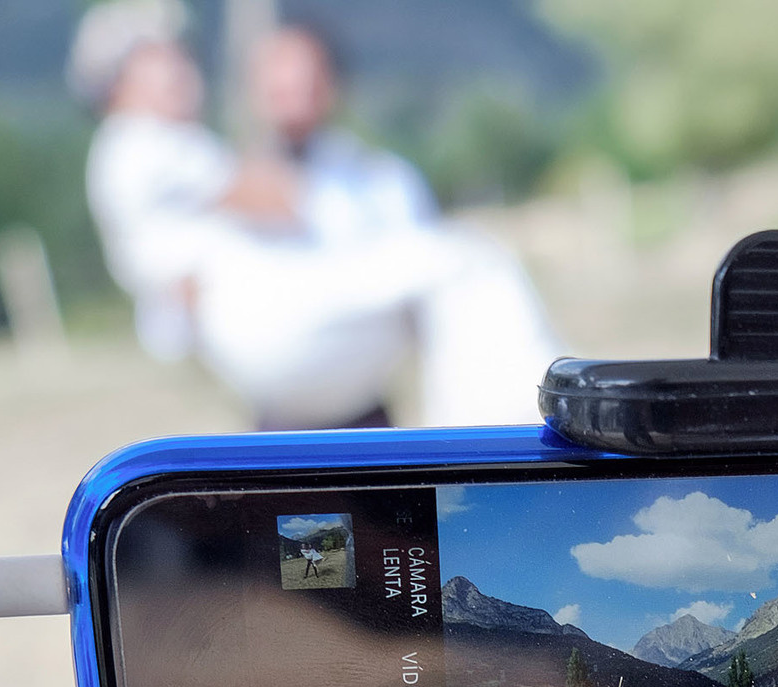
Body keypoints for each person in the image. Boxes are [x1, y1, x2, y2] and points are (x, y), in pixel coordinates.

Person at [68, 1, 556, 429]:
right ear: (119, 80)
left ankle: (507, 420)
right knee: (471, 260)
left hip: (293, 344)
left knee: (464, 267)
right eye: (161, 57)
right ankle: (519, 427)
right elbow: (280, 201)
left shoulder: (153, 151)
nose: (182, 69)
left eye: (178, 55)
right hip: (269, 320)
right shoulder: (143, 144)